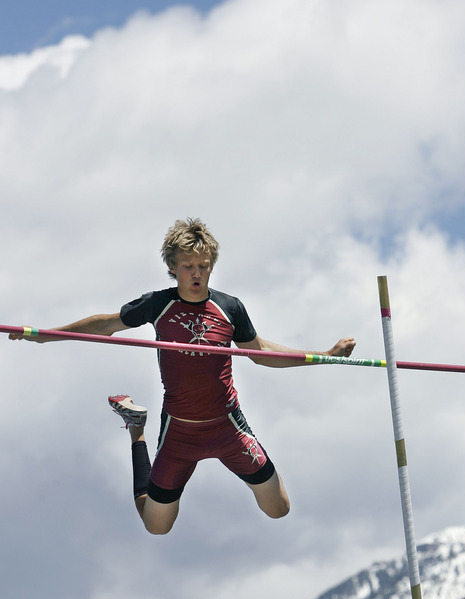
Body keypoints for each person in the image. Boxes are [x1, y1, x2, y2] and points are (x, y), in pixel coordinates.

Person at [10, 218, 356, 535]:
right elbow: (104, 325)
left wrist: (326, 356)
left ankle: (142, 431)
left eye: (203, 266)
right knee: (156, 526)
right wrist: (44, 334)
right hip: (180, 431)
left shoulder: (229, 308)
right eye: (188, 266)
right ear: (172, 267)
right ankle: (137, 431)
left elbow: (261, 352)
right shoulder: (158, 304)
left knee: (279, 509)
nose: (196, 273)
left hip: (227, 427)